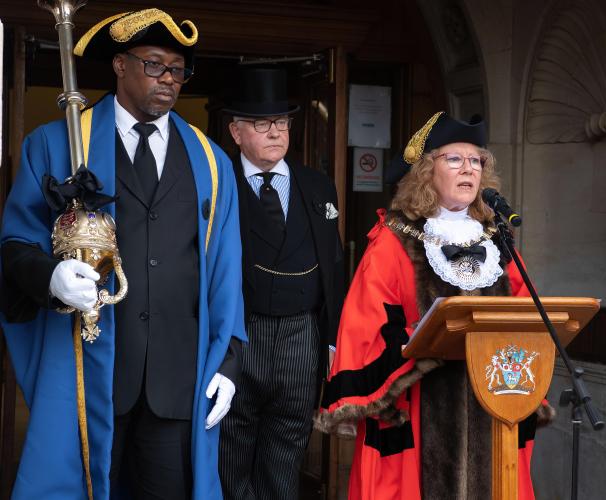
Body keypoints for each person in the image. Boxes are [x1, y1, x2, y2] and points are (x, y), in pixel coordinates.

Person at [0, 8, 245, 499]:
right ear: (120, 65)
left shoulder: (212, 161)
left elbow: (225, 272)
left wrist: (229, 363)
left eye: (178, 70)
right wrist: (51, 277)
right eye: (155, 64)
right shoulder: (56, 145)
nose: (169, 80)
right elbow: (14, 245)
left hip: (177, 380)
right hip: (91, 370)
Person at [315, 112, 550, 499]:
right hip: (421, 407)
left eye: (476, 161)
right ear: (427, 170)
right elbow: (367, 327)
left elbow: (529, 314)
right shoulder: (394, 243)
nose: (468, 169)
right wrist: (419, 345)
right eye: (454, 159)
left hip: (491, 405)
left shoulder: (498, 244)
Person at [218, 67, 345, 499]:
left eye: (282, 123)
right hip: (240, 334)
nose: (275, 132)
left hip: (300, 337)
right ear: (236, 132)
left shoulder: (317, 186)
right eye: (261, 123)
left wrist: (330, 339)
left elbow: (334, 265)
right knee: (230, 450)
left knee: (286, 455)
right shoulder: (219, 184)